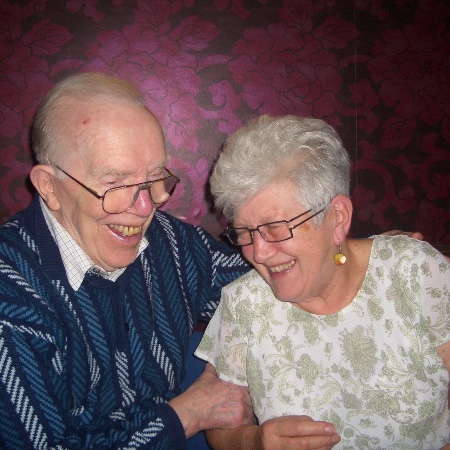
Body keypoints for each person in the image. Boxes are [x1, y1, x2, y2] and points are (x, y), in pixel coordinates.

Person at [0, 73, 346, 449]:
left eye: (154, 179)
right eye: (115, 185)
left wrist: (361, 255)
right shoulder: (11, 298)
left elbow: (265, 276)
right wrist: (188, 414)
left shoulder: (168, 243)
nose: (144, 208)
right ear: (50, 186)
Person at [195, 115, 450, 449]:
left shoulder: (414, 272)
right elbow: (221, 428)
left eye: (275, 229)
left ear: (338, 218)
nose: (258, 253)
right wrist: (256, 441)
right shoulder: (245, 304)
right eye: (244, 233)